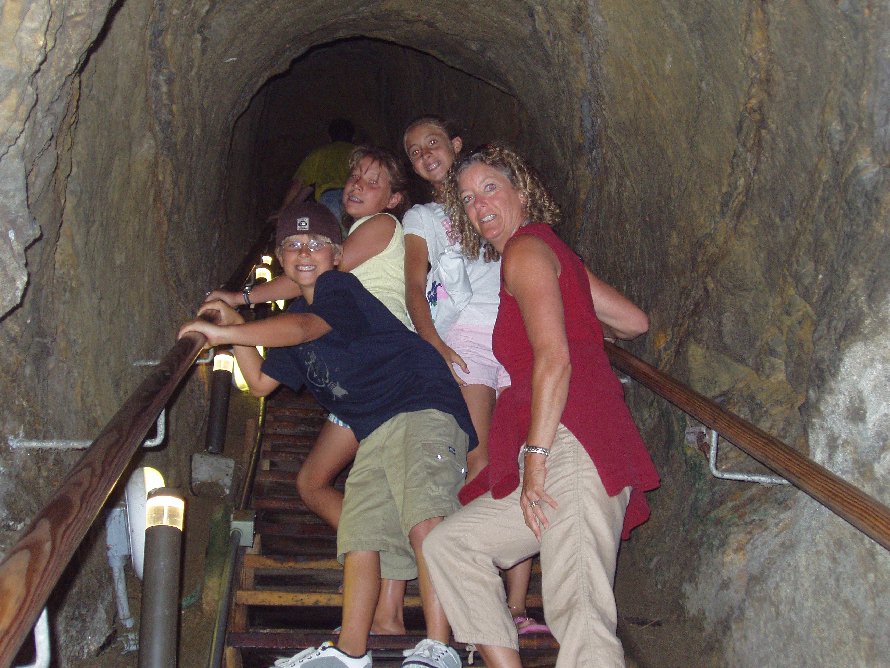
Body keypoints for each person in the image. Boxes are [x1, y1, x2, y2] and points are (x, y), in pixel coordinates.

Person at [180, 200, 474, 668]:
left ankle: (440, 648)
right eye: (293, 244)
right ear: (280, 256)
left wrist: (224, 336)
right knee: (361, 528)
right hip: (371, 423)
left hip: (419, 400)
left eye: (316, 243)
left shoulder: (339, 288)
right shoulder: (295, 312)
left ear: (336, 255)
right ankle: (351, 651)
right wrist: (236, 327)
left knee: (424, 514)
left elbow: (304, 329)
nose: (304, 252)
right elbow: (260, 382)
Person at [424, 143, 660, 668]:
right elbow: (632, 322)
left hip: (570, 442)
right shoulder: (547, 252)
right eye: (467, 198)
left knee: (579, 606)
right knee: (451, 545)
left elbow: (554, 359)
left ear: (522, 191)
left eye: (490, 188)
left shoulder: (526, 252)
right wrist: (578, 317)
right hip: (564, 439)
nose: (479, 205)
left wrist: (535, 460)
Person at [206, 146, 413, 635]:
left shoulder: (380, 228)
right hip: (355, 385)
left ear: (394, 198)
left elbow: (315, 288)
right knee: (311, 482)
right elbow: (260, 382)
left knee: (377, 495)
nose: (358, 185)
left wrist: (241, 302)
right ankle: (375, 555)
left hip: (390, 372)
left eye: (373, 180)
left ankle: (386, 613)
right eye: (354, 176)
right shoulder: (312, 307)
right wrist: (236, 326)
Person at [402, 116, 546, 635]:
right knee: (480, 455)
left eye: (433, 143)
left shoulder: (494, 198)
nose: (426, 154)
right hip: (468, 340)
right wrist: (433, 342)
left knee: (521, 458)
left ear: (455, 144)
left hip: (516, 334)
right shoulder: (422, 216)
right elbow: (414, 284)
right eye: (414, 151)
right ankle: (472, 583)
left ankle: (517, 606)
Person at [283, 118, 356, 219]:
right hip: (355, 198)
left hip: (330, 200)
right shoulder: (360, 154)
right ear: (353, 137)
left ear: (329, 137)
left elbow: (297, 185)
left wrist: (284, 210)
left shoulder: (319, 154)